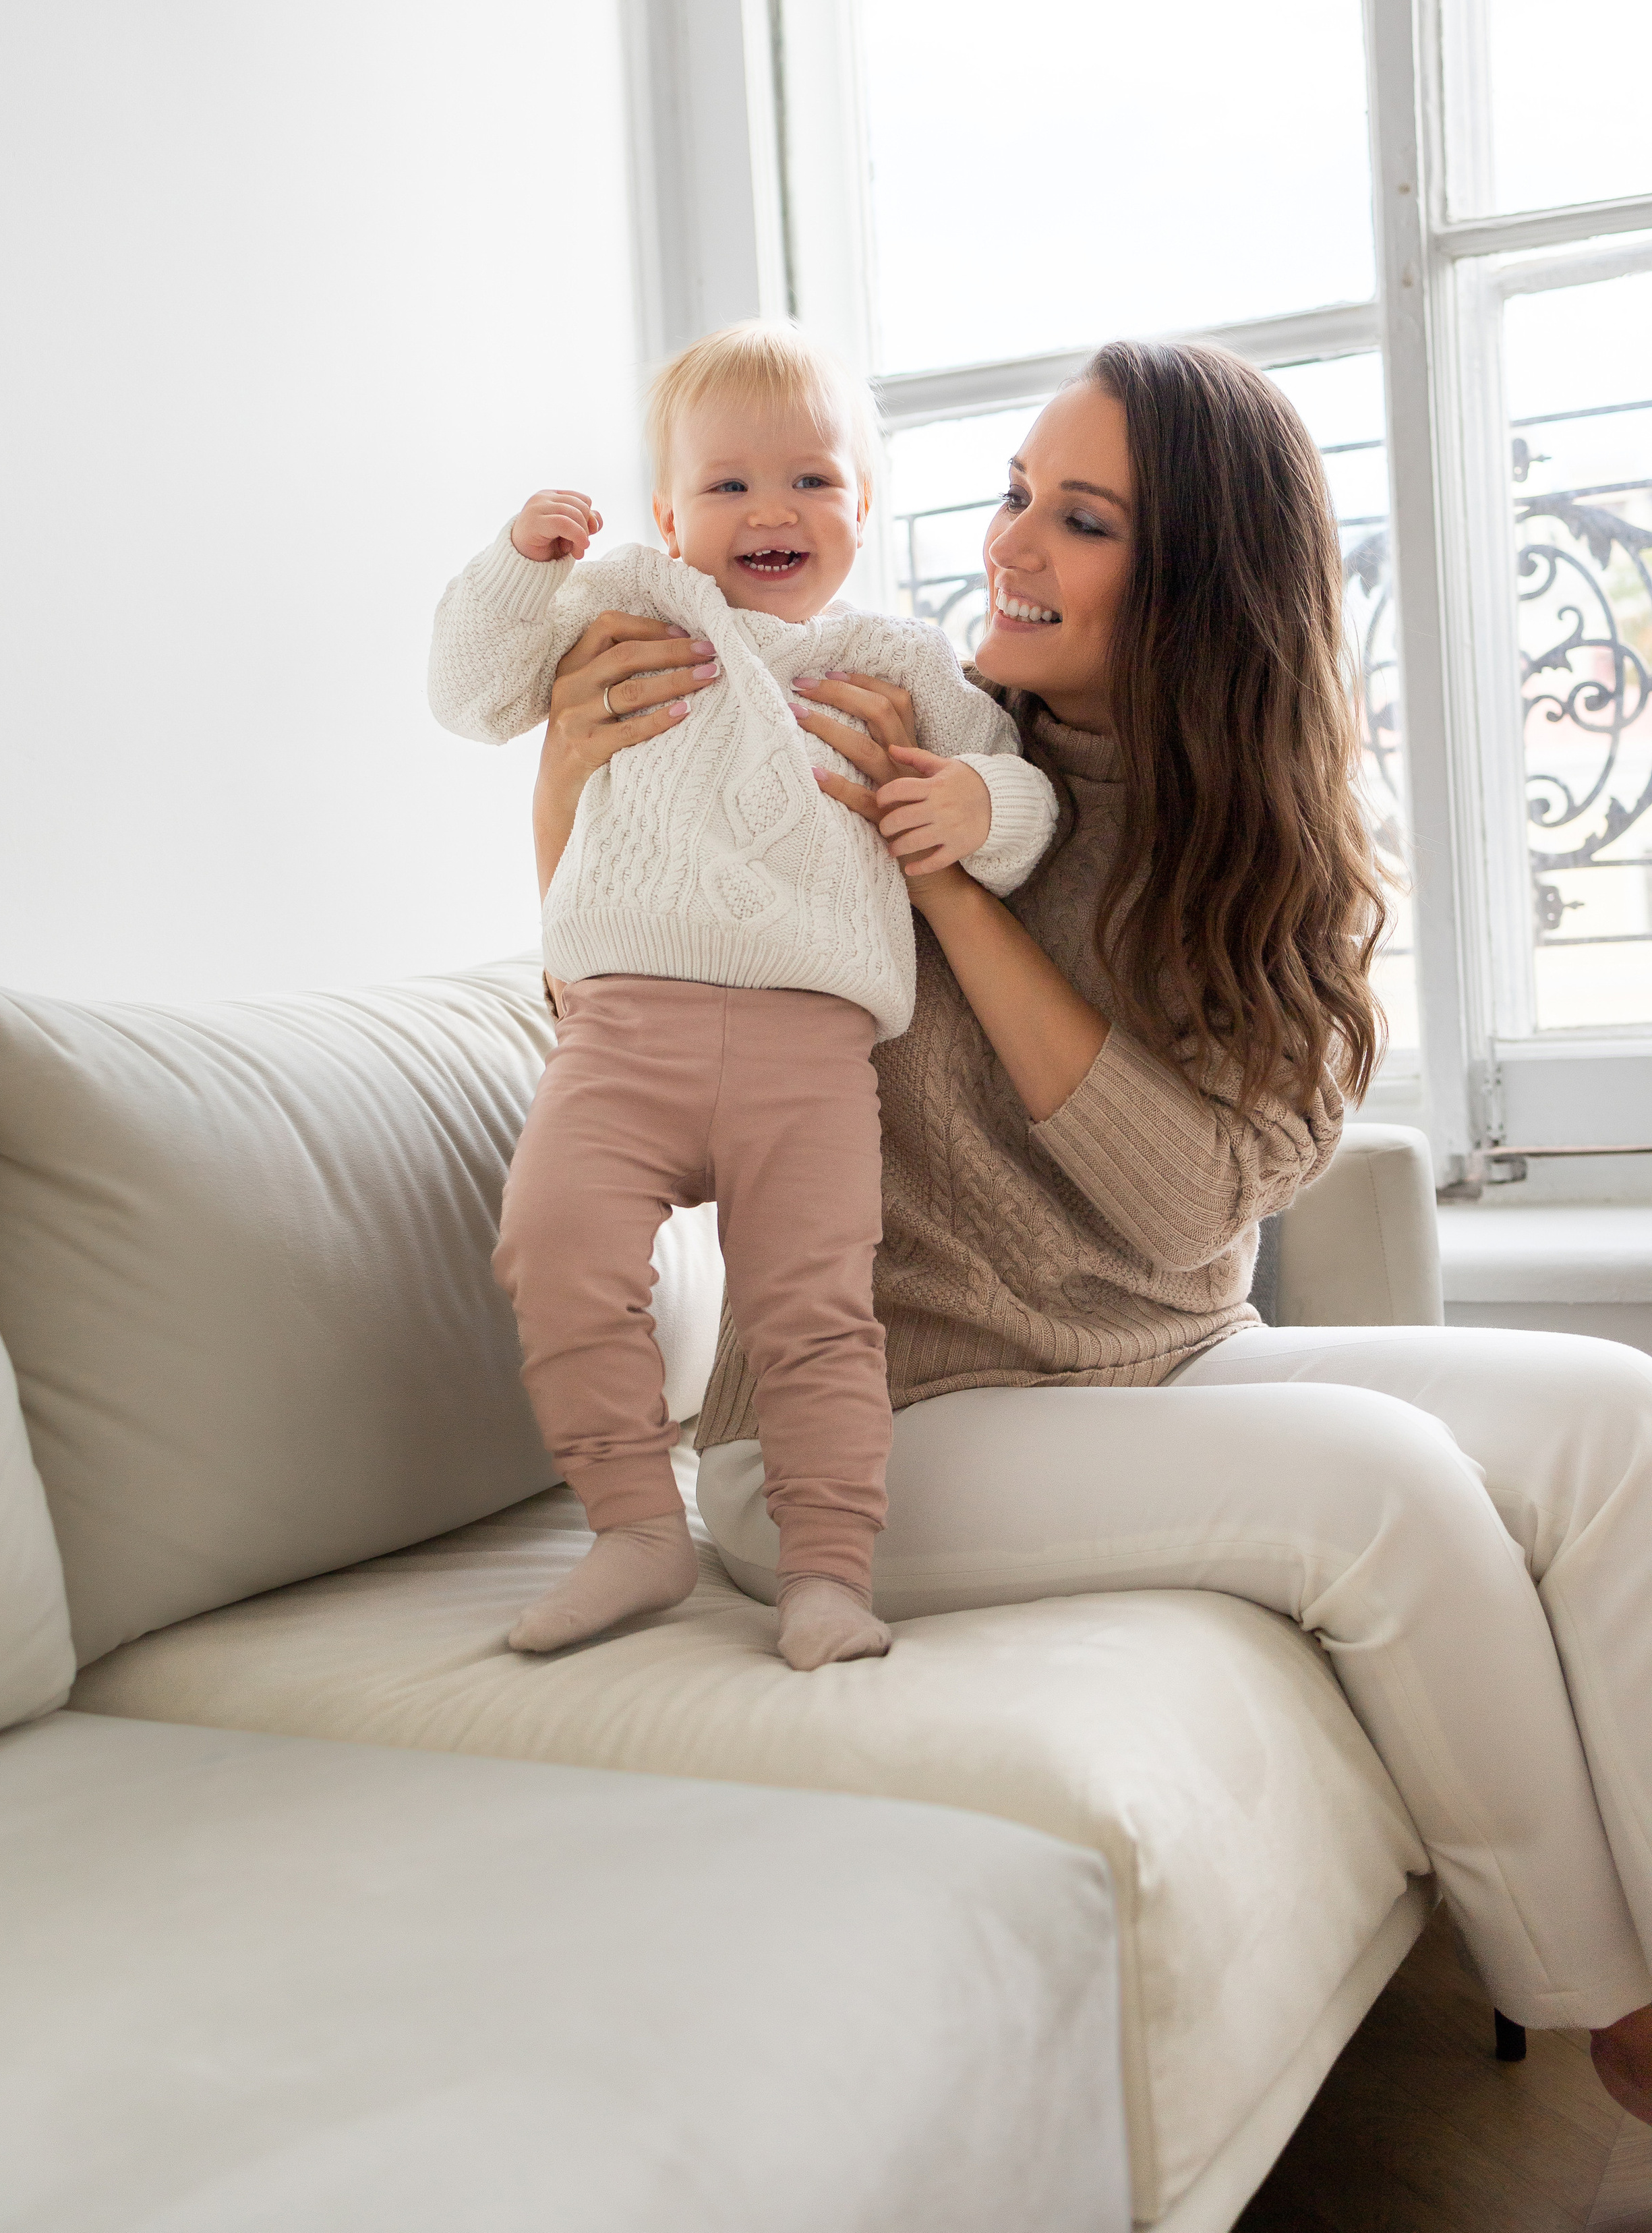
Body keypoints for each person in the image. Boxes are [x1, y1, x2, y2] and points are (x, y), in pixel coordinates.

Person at [529, 335, 1652, 2122]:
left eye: (1081, 518)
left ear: (1197, 582)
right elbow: (648, 1001)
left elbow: (1187, 1203)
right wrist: (568, 791)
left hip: (1159, 1365)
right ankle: (1617, 2023)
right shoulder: (876, 730)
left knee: (1618, 1423)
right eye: (1009, 496)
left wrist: (963, 894)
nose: (1006, 548)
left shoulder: (1249, 839)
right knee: (1381, 1489)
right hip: (862, 1439)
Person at [429, 321, 1058, 1670]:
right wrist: (513, 565)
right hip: (619, 1034)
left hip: (808, 1049)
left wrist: (969, 802)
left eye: (811, 481)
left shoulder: (896, 663)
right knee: (553, 1249)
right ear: (664, 515)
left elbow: (1017, 798)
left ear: (862, 508)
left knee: (816, 1317)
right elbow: (472, 698)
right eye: (726, 487)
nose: (770, 511)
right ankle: (632, 1534)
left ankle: (829, 1572)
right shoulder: (624, 608)